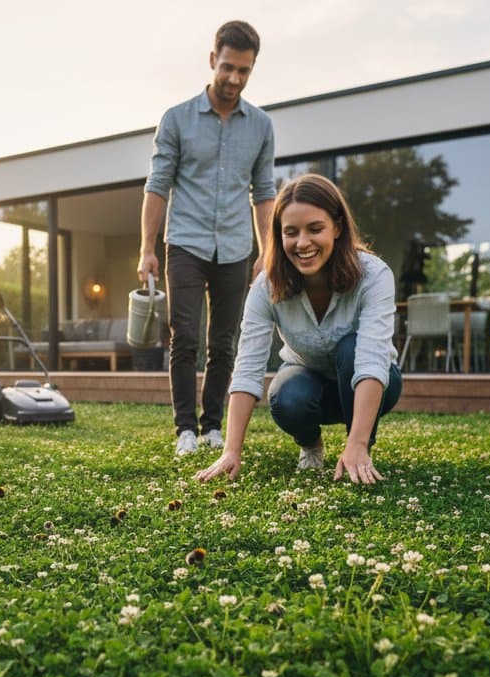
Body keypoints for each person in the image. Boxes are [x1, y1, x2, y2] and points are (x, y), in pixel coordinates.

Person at [196, 173, 403, 487]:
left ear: (337, 227)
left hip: (372, 384)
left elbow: (372, 360)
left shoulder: (374, 275)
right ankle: (311, 445)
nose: (302, 243)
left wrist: (359, 443)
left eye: (315, 229)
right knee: (286, 395)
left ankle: (358, 448)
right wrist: (231, 450)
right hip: (308, 384)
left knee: (351, 348)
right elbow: (248, 366)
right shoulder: (266, 285)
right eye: (291, 232)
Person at [138, 20, 276, 456]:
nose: (234, 78)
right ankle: (185, 430)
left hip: (235, 247)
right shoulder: (177, 119)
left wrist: (267, 251)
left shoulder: (261, 126)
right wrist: (146, 248)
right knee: (185, 337)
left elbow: (264, 192)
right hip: (185, 243)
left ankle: (213, 425)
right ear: (213, 59)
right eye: (228, 67)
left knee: (224, 342)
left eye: (244, 70)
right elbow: (158, 185)